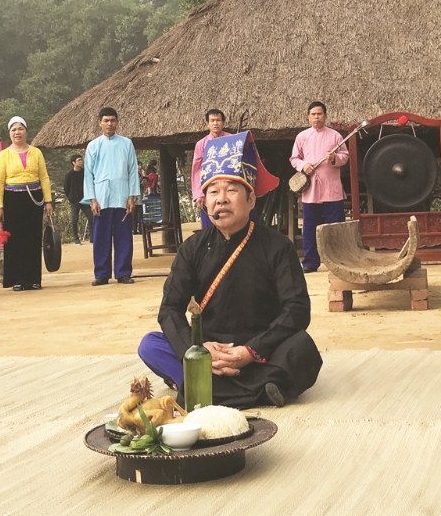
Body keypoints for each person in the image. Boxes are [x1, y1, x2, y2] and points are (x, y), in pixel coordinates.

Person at [138, 130, 322, 408]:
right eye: (213, 192)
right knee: (151, 345)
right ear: (205, 202)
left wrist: (250, 351)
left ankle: (202, 386)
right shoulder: (192, 248)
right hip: (209, 349)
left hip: (260, 349)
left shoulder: (277, 246)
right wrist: (196, 348)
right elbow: (170, 308)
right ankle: (262, 388)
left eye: (231, 190)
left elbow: (296, 309)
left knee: (302, 347)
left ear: (251, 200)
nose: (221, 199)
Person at [0, 116, 53, 291]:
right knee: (15, 240)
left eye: (20, 129)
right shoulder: (3, 155)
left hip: (34, 199)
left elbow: (44, 177)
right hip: (12, 198)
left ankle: (33, 279)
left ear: (26, 131)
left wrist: (48, 200)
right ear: (9, 133)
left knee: (33, 238)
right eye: (13, 129)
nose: (17, 132)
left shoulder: (36, 152)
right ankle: (17, 279)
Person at [82, 107, 140, 286]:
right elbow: (88, 174)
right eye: (106, 120)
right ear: (100, 123)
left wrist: (132, 196)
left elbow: (132, 171)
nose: (109, 124)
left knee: (124, 236)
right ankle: (101, 273)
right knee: (101, 236)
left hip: (122, 196)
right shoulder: (93, 146)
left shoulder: (126, 143)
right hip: (101, 198)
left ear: (117, 122)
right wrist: (92, 199)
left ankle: (123, 272)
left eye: (112, 120)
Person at [290, 101, 349, 273]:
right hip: (311, 190)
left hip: (332, 190)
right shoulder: (302, 136)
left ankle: (338, 262)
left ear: (325, 116)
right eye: (313, 114)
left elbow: (344, 156)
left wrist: (334, 158)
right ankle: (310, 262)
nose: (316, 117)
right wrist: (303, 166)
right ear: (308, 117)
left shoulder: (335, 136)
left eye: (319, 114)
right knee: (310, 227)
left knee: (335, 227)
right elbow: (294, 158)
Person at [191, 109, 232, 229]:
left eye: (218, 120)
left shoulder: (232, 140)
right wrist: (198, 194)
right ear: (207, 124)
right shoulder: (201, 144)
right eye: (212, 121)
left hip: (228, 186)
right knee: (209, 228)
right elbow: (197, 170)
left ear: (223, 122)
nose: (215, 123)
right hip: (209, 189)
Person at [63, 154, 90, 245]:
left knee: (91, 217)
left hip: (84, 199)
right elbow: (66, 188)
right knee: (74, 219)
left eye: (81, 160)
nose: (81, 161)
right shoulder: (69, 175)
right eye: (78, 160)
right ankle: (76, 238)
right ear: (73, 163)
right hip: (74, 200)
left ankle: (93, 238)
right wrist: (70, 198)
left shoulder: (85, 173)